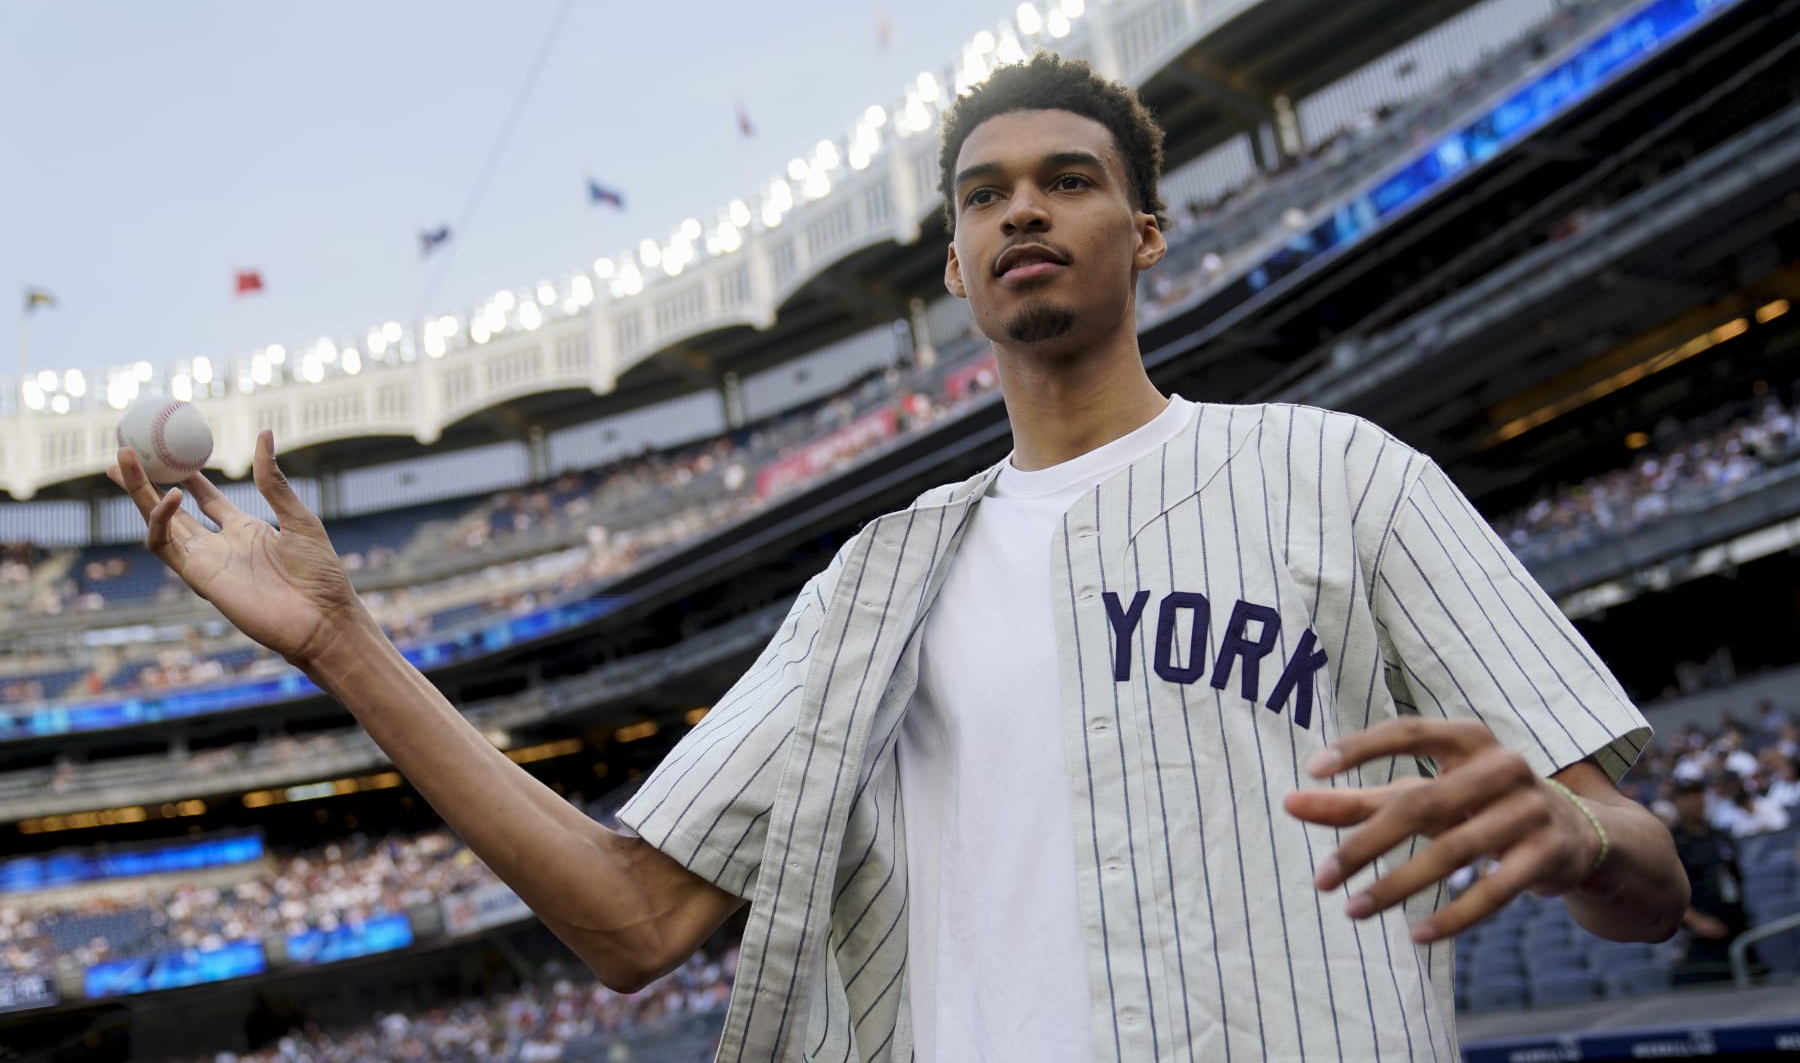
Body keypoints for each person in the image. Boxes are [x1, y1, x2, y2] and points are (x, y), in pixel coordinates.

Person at [112, 53, 1687, 1062]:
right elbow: (628, 921)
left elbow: (1650, 878)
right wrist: (344, 648)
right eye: (986, 193)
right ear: (951, 263)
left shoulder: (1336, 475)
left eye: (1071, 181)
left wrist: (1580, 829)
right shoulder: (873, 584)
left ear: (1144, 234)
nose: (1026, 211)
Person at [1668, 778, 1750, 985]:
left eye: (1698, 794)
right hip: (1701, 936)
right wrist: (1697, 921)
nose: (1694, 801)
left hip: (1735, 922)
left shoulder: (1719, 836)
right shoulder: (1672, 841)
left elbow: (1735, 877)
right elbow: (1664, 891)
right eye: (1687, 796)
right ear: (1676, 802)